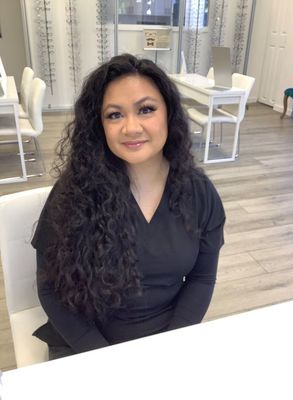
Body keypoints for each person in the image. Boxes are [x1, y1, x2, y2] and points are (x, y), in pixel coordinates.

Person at [32, 53, 225, 360]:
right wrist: (104, 359)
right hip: (85, 346)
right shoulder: (73, 193)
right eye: (114, 115)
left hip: (167, 341)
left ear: (169, 114)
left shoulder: (201, 194)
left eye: (146, 109)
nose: (131, 128)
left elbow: (202, 278)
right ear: (100, 125)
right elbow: (50, 290)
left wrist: (172, 345)